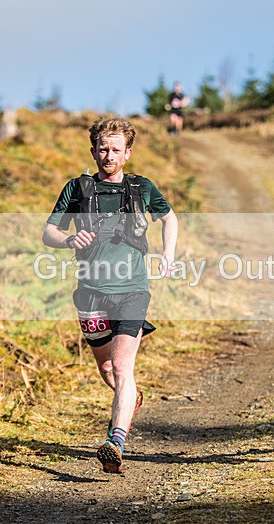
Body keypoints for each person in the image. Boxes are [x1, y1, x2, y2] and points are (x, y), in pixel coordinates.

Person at [42, 116, 178, 473]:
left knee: (121, 365)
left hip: (132, 291)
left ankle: (115, 441)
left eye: (116, 149)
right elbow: (49, 232)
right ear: (93, 150)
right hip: (90, 294)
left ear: (128, 153)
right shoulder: (76, 188)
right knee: (107, 369)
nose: (109, 155)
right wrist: (69, 239)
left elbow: (170, 218)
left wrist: (168, 255)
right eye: (103, 148)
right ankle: (131, 397)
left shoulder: (142, 188)